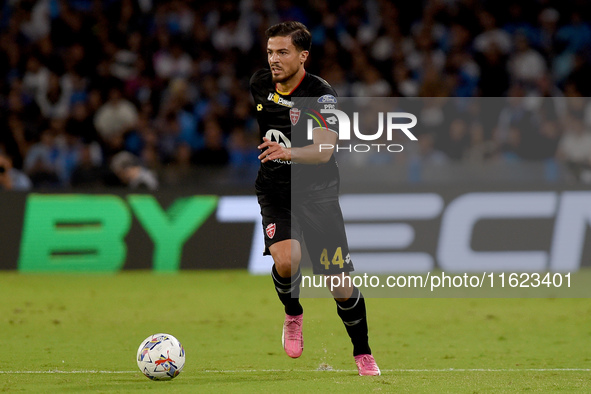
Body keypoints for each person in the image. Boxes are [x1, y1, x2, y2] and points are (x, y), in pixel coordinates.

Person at [250, 21, 380, 376]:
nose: (273, 59)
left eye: (282, 52)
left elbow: (324, 151)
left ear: (303, 55)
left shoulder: (322, 95)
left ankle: (363, 353)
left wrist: (287, 152)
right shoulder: (260, 83)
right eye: (270, 52)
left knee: (339, 284)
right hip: (276, 190)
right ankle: (293, 314)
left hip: (318, 194)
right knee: (287, 258)